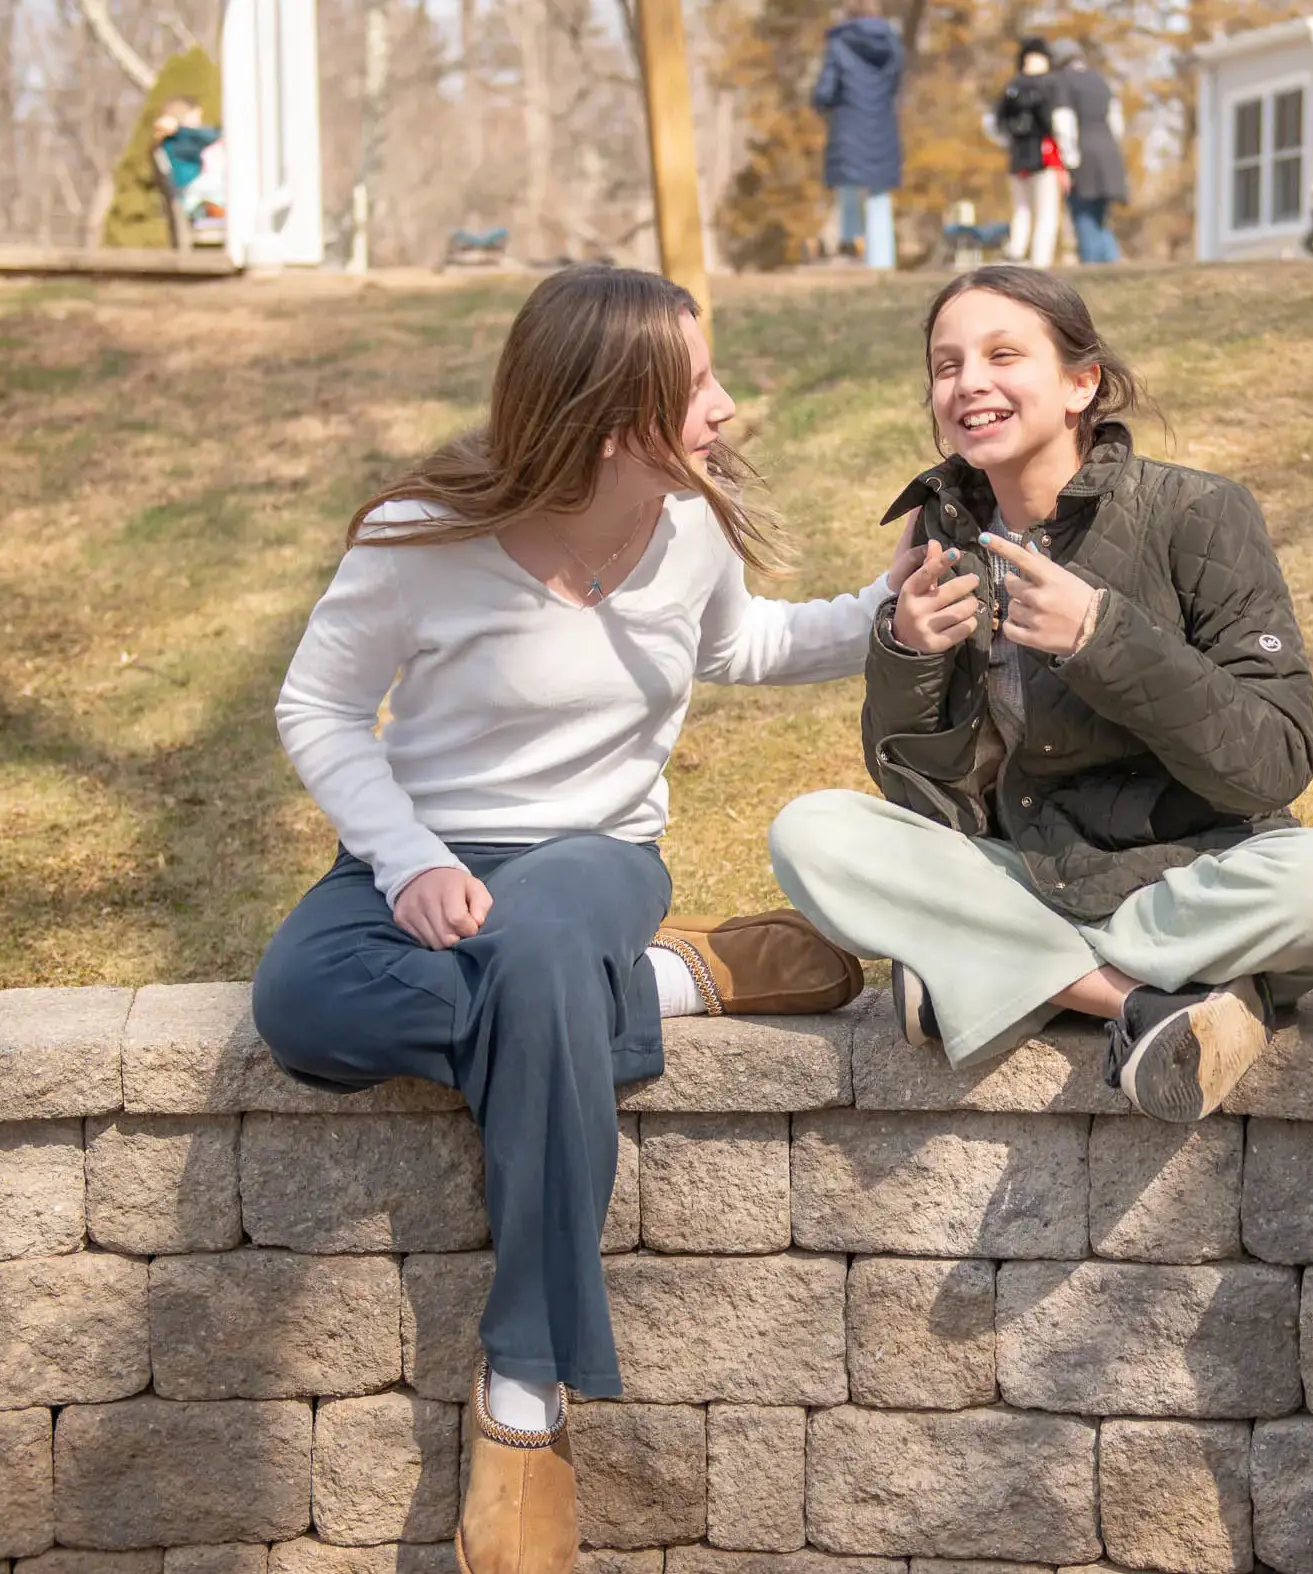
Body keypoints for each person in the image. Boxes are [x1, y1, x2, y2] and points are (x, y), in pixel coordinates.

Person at [250, 265, 897, 1574]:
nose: (724, 405)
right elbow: (315, 708)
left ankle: (526, 1385)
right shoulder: (419, 535)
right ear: (613, 420)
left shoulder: (688, 522)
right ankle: (668, 984)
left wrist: (889, 617)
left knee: (545, 950)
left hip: (595, 858)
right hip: (430, 861)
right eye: (697, 385)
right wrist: (408, 855)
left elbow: (746, 645)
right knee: (303, 1008)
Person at [768, 265, 1313, 1122]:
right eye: (947, 366)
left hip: (1188, 872)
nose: (968, 382)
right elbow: (918, 798)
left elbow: (1273, 765)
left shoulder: (1199, 512)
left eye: (1003, 354)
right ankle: (1135, 1001)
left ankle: (993, 970)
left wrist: (1102, 638)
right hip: (1023, 870)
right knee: (812, 833)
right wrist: (904, 650)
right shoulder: (941, 534)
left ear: (1079, 382)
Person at [812, 0, 904, 270]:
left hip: (848, 125)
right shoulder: (893, 44)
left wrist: (821, 105)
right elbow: (895, 85)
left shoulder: (839, 43)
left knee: (848, 191)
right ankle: (882, 262)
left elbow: (825, 91)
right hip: (883, 124)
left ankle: (851, 251)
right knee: (879, 196)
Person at [983, 38, 1079, 269]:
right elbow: (1063, 122)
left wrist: (1008, 142)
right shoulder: (1053, 85)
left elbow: (990, 123)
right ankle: (1040, 260)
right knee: (1047, 211)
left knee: (1021, 209)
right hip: (1046, 156)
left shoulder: (1011, 86)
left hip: (1018, 157)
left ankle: (1016, 253)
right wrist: (1070, 157)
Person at [1055, 46, 1127, 265]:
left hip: (1083, 151)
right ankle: (1110, 263)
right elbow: (1117, 122)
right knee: (1100, 216)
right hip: (1108, 150)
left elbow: (1063, 123)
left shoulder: (1064, 83)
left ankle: (1094, 265)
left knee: (1083, 214)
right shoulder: (1102, 82)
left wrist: (1069, 160)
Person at [152, 97, 226, 223]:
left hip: (190, 192)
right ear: (185, 117)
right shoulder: (179, 139)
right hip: (191, 193)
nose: (199, 122)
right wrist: (181, 128)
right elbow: (212, 137)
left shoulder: (175, 140)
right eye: (196, 117)